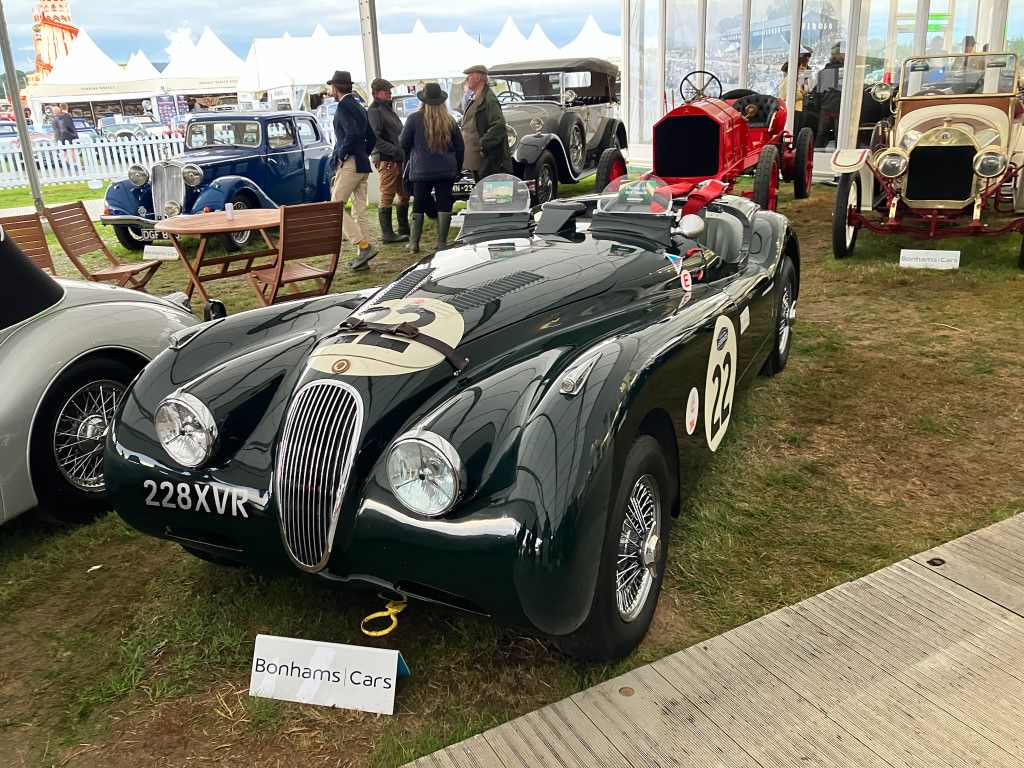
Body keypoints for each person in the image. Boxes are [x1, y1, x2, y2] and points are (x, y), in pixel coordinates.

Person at [399, 82, 464, 253]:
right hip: (446, 170)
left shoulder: (413, 119)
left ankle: (414, 244)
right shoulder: (449, 120)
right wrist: (457, 169)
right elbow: (460, 147)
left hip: (421, 170)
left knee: (419, 204)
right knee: (444, 203)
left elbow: (403, 144)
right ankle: (442, 242)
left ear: (423, 100)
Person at [326, 69, 378, 270]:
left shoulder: (343, 106)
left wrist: (342, 154)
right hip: (362, 163)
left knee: (335, 206)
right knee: (359, 211)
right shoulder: (358, 105)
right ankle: (363, 258)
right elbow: (371, 137)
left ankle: (363, 246)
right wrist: (362, 153)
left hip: (350, 163)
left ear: (335, 88)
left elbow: (351, 134)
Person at [367, 76, 410, 244]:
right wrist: (395, 150)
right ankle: (387, 233)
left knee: (403, 192)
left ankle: (403, 227)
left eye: (389, 91)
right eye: (386, 91)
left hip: (395, 157)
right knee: (387, 194)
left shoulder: (385, 108)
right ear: (376, 93)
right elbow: (375, 138)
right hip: (387, 158)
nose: (389, 93)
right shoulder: (375, 111)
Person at [460, 64, 511, 181]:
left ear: (478, 78)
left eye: (470, 76)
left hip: (485, 157)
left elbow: (498, 125)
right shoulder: (477, 96)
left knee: (488, 188)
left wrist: (482, 144)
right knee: (481, 187)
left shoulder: (488, 99)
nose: (467, 79)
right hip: (476, 156)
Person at [779, 47, 812, 133]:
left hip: (798, 107)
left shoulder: (794, 78)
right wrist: (803, 93)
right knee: (795, 129)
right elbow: (792, 94)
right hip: (794, 107)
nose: (803, 70)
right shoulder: (790, 79)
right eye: (801, 68)